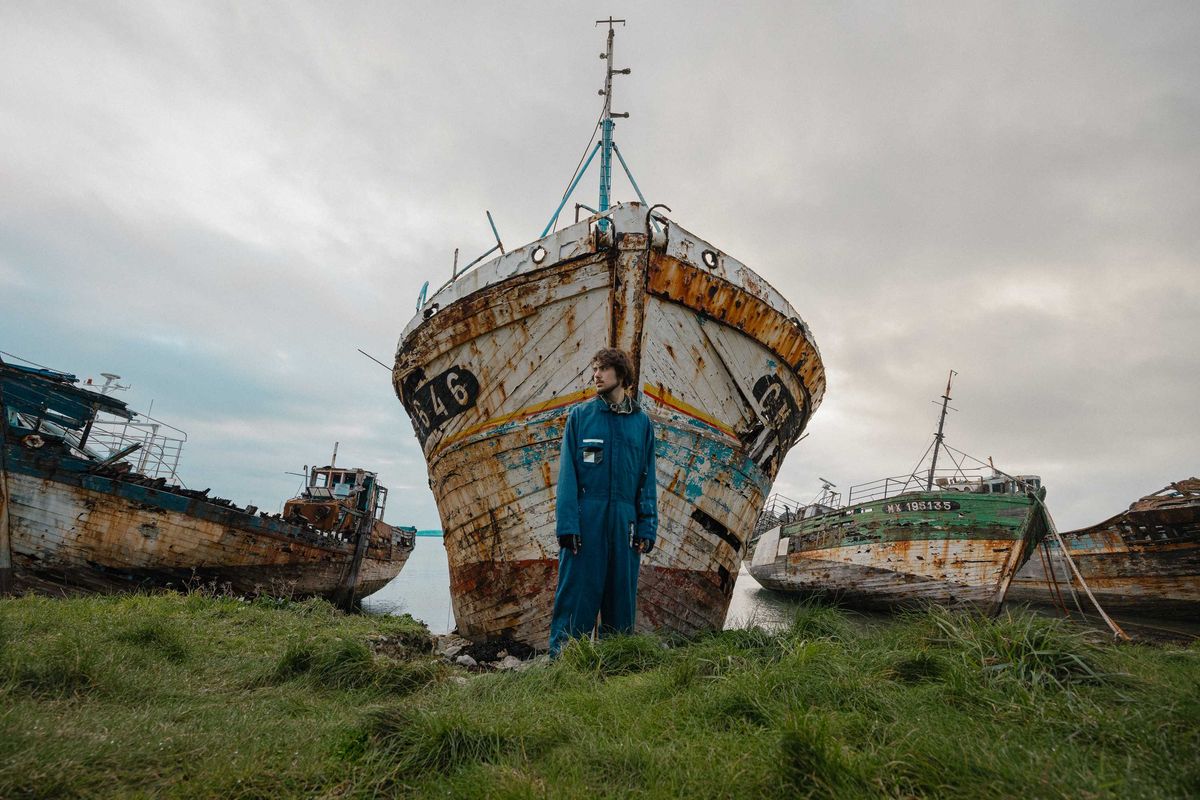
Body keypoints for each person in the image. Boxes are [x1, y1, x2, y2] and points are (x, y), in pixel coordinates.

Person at [548, 347, 658, 656]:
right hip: (587, 519)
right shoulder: (581, 417)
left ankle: (617, 664)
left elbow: (646, 478)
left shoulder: (642, 424)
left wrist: (647, 527)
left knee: (621, 598)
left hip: (625, 523)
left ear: (621, 375)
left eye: (603, 369)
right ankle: (565, 663)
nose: (595, 375)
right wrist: (567, 525)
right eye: (594, 368)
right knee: (576, 594)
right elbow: (568, 475)